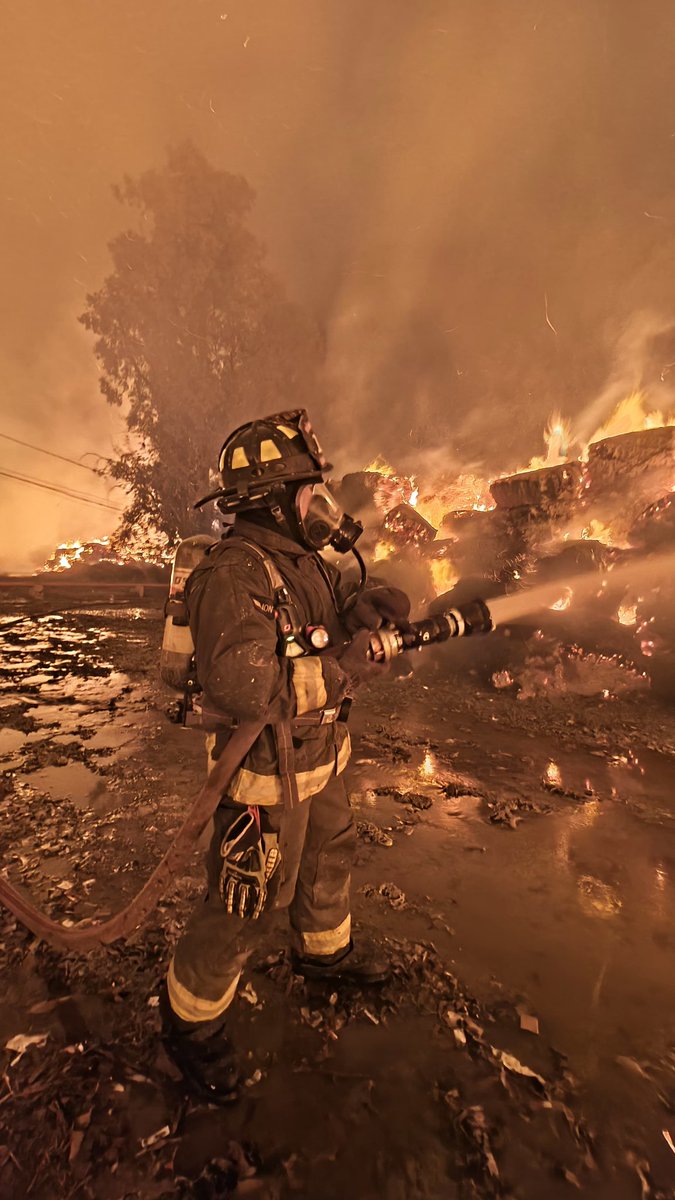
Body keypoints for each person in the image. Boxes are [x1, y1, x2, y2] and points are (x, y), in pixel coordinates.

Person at [160, 409, 411, 1100]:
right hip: (265, 770)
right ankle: (190, 1021)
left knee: (330, 852)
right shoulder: (233, 572)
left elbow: (311, 631)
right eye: (310, 492)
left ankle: (323, 954)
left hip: (320, 751)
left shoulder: (301, 563)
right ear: (274, 500)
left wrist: (359, 608)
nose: (323, 507)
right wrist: (342, 667)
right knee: (247, 897)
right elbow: (244, 684)